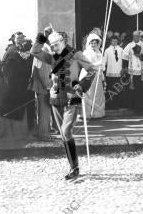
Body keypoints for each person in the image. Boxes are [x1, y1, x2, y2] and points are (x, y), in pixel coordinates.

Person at [30, 27, 96, 180]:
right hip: (55, 98)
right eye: (51, 45)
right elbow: (34, 51)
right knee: (63, 135)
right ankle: (74, 167)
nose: (53, 48)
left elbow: (92, 70)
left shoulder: (76, 55)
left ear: (63, 42)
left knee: (66, 131)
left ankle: (75, 168)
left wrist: (82, 85)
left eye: (56, 45)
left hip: (72, 98)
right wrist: (43, 36)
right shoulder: (52, 57)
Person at [0, 40, 34, 149]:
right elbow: (8, 77)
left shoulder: (26, 59)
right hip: (9, 94)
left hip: (19, 94)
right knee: (3, 118)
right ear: (21, 51)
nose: (27, 55)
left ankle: (14, 143)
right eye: (26, 53)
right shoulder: (12, 60)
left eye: (29, 53)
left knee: (15, 120)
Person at [28, 41, 54, 140]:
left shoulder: (42, 50)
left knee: (43, 111)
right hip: (43, 87)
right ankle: (44, 135)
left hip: (40, 86)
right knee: (44, 112)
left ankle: (44, 133)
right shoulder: (44, 51)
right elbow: (43, 71)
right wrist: (47, 85)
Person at [122, 31, 143, 111]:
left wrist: (140, 56)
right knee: (133, 90)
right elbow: (124, 58)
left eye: (137, 36)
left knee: (142, 90)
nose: (136, 37)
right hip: (133, 71)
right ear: (133, 36)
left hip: (142, 72)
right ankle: (134, 107)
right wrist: (124, 67)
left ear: (139, 36)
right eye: (134, 36)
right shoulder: (129, 45)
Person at [81, 33, 105, 119]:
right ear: (89, 43)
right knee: (89, 94)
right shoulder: (86, 52)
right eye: (92, 43)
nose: (93, 45)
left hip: (97, 75)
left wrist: (102, 67)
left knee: (98, 94)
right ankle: (87, 114)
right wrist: (97, 63)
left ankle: (98, 113)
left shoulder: (99, 52)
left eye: (95, 43)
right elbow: (88, 65)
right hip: (89, 76)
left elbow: (103, 64)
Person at [102, 35, 125, 109]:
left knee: (118, 88)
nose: (114, 42)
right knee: (110, 89)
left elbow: (123, 60)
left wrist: (123, 69)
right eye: (112, 41)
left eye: (115, 41)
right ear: (110, 41)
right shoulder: (107, 50)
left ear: (117, 41)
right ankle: (110, 105)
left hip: (118, 72)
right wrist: (102, 69)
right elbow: (104, 61)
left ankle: (118, 104)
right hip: (110, 73)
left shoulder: (121, 49)